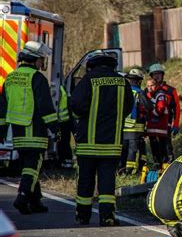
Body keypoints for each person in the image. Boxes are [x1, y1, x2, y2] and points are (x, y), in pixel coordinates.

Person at [70, 53, 134, 226]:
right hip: (112, 143)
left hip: (88, 143)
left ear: (93, 66)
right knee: (107, 182)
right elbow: (129, 106)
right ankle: (107, 216)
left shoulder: (88, 80)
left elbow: (76, 104)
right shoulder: (122, 83)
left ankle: (83, 216)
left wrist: (79, 118)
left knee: (85, 180)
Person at [0, 41, 58, 214]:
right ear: (34, 59)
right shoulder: (37, 78)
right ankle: (22, 196)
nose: (42, 63)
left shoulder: (10, 77)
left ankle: (35, 202)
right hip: (35, 130)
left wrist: (2, 131)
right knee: (33, 165)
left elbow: (2, 107)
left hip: (17, 131)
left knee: (30, 165)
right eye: (41, 59)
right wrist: (55, 127)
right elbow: (45, 106)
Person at [148, 63, 180, 162]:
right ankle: (157, 164)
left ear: (162, 75)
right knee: (154, 145)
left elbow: (177, 108)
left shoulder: (170, 90)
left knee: (166, 145)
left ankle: (169, 165)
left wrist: (176, 124)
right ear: (151, 76)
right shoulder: (147, 90)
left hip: (166, 124)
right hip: (152, 123)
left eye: (159, 74)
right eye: (154, 74)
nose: (157, 76)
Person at [120, 68, 147, 175]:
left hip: (122, 128)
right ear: (139, 81)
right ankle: (129, 171)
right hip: (134, 128)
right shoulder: (139, 93)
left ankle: (121, 170)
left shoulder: (122, 91)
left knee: (123, 150)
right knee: (132, 151)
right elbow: (147, 106)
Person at [144, 77, 171, 172]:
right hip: (152, 127)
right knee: (154, 146)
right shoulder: (148, 95)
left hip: (160, 126)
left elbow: (161, 108)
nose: (150, 88)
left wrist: (150, 115)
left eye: (152, 85)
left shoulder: (160, 95)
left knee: (162, 147)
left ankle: (164, 165)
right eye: (148, 86)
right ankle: (157, 165)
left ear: (156, 85)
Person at [57, 85, 74, 169]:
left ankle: (65, 163)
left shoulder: (59, 89)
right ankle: (67, 163)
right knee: (64, 142)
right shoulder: (62, 89)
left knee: (62, 143)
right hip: (64, 120)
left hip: (60, 120)